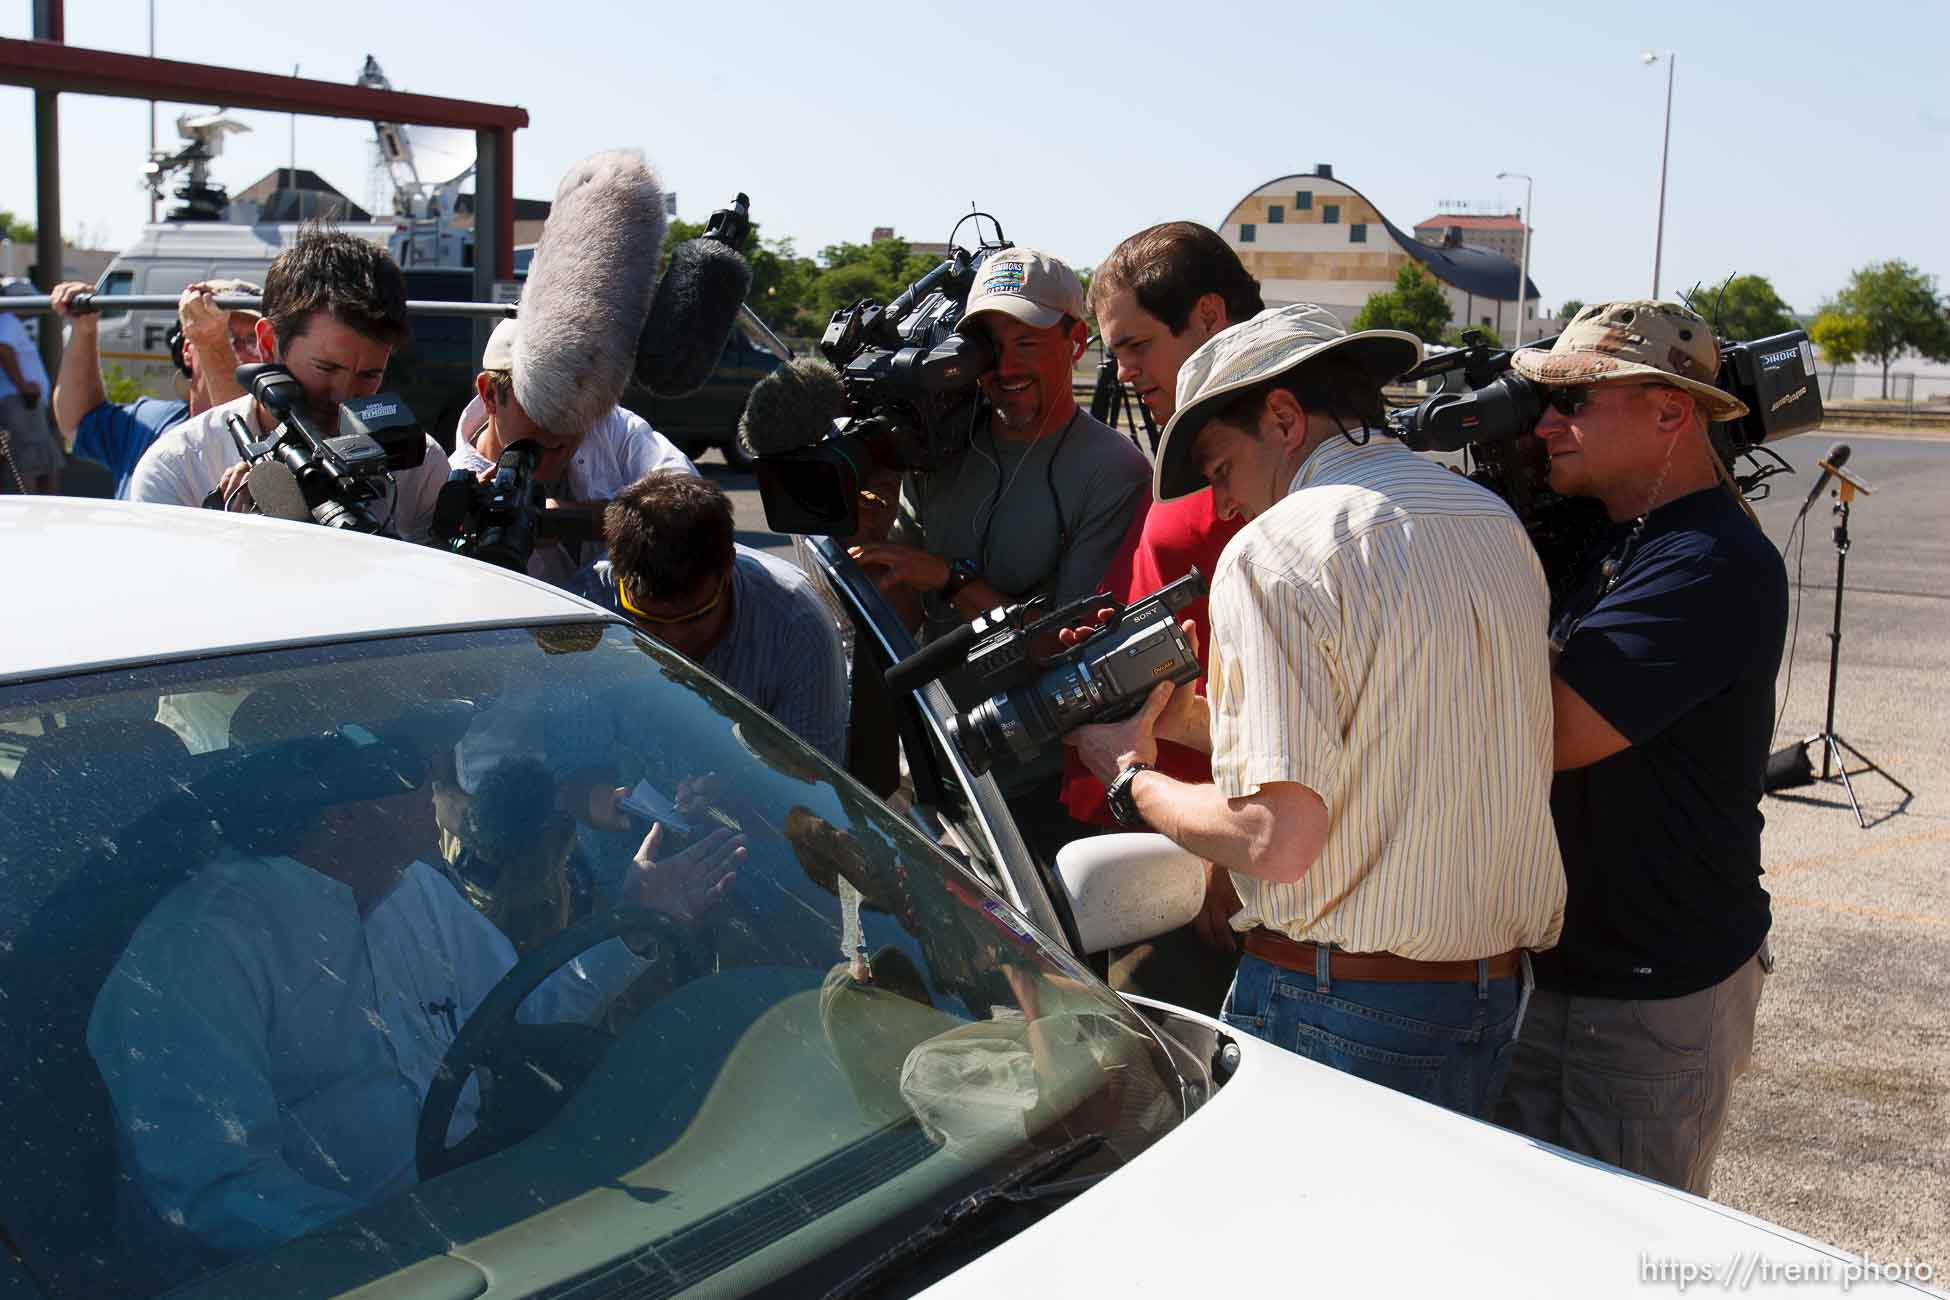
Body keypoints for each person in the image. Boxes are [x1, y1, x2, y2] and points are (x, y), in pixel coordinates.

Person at [1066, 303, 1565, 1118]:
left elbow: (1274, 839)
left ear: (1284, 417)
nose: (1222, 506)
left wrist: (1131, 779)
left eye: (1221, 467)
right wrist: (1189, 721)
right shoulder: (1488, 520)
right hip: (1491, 995)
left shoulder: (1275, 552)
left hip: (1341, 1003)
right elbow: (1397, 738)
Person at [87, 719, 744, 1267]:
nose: (439, 776)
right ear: (342, 817)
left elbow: (520, 1016)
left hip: (498, 1210)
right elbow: (216, 1192)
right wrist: (414, 1256)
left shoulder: (414, 889)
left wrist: (631, 922)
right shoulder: (196, 951)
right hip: (374, 1272)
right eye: (410, 768)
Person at [1491, 301, 1786, 1196]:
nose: (1547, 424)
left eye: (1575, 401)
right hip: (1567, 974)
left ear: (1671, 411)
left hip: (1644, 996)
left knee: (1616, 1257)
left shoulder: (1709, 561)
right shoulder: (1605, 534)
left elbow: (1556, 732)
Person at [849, 247, 1151, 860]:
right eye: (990, 346)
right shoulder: (940, 446)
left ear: (1075, 340)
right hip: (929, 765)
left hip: (1037, 789)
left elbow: (1068, 650)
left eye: (1028, 343)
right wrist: (868, 522)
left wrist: (951, 578)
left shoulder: (1113, 472)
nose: (1005, 367)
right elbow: (898, 609)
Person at [1060, 221, 1265, 1013]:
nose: (1124, 370)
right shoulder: (1200, 446)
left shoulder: (1255, 464)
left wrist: (1223, 860)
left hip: (1207, 859)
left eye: (1137, 343)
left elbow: (1275, 696)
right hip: (1155, 824)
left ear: (1210, 316)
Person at [125, 229, 450, 537]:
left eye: (370, 374)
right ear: (268, 343)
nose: (344, 395)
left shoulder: (419, 466)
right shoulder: (180, 466)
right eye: (325, 367)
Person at [576, 470, 848, 764]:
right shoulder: (583, 609)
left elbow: (811, 780)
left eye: (694, 619)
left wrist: (733, 789)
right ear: (617, 574)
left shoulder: (795, 624)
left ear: (728, 567)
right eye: (649, 622)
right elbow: (570, 759)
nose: (673, 643)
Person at [451, 315, 697, 587]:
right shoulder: (448, 484)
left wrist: (571, 519)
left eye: (576, 406)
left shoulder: (608, 426)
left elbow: (694, 511)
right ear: (489, 395)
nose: (559, 429)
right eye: (539, 406)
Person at [48, 278, 265, 498]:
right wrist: (83, 328)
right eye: (226, 336)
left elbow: (239, 430)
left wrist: (210, 341)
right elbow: (78, 422)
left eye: (252, 339)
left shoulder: (278, 436)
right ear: (187, 351)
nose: (240, 351)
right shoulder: (152, 421)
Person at [0, 300, 60, 493]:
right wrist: (24, 387)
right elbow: (4, 349)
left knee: (42, 462)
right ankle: (34, 511)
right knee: (31, 462)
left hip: (24, 402)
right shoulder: (7, 319)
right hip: (22, 402)